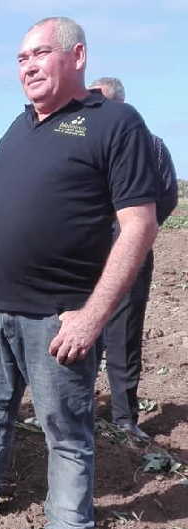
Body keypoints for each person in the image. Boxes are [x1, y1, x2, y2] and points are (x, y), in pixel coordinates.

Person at [0, 18, 161, 529]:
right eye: (21, 58)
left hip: (58, 318)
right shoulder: (17, 127)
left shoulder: (115, 123)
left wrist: (93, 316)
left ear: (77, 57)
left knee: (66, 434)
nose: (27, 66)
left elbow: (140, 225)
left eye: (40, 54)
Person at [88, 77, 178, 441]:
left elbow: (166, 196)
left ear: (120, 105)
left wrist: (135, 234)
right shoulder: (87, 142)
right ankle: (77, 408)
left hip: (128, 248)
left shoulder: (152, 147)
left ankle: (124, 417)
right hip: (84, 252)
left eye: (99, 100)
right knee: (78, 327)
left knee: (124, 333)